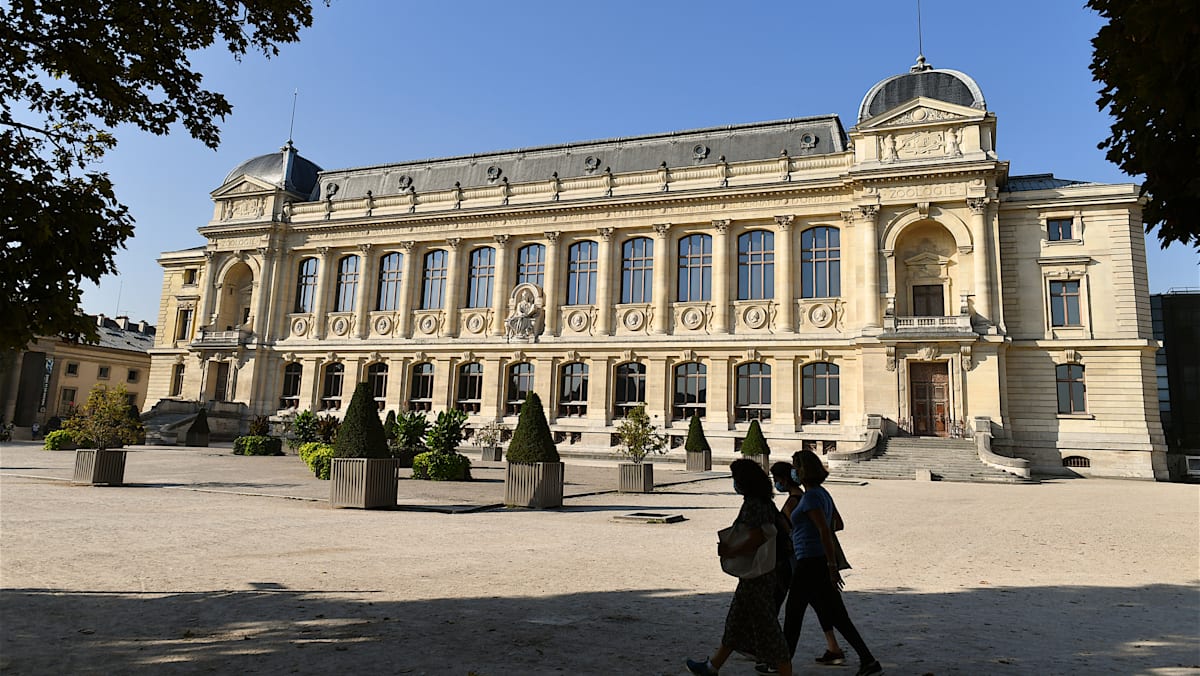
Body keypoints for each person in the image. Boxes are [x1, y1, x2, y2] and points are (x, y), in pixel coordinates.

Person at [687, 459, 793, 676]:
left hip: (759, 576)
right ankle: (712, 666)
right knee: (736, 621)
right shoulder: (763, 501)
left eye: (736, 479)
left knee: (767, 627)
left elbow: (757, 537)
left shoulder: (754, 504)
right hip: (761, 574)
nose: (734, 483)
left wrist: (731, 551)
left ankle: (785, 672)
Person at [783, 450, 883, 676]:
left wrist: (831, 566)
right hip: (814, 560)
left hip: (810, 561)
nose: (793, 471)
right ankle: (867, 660)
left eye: (795, 466)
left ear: (803, 470)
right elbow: (836, 523)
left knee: (794, 613)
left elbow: (825, 531)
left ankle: (781, 664)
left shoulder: (810, 497)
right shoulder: (822, 493)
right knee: (836, 615)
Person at [760, 462, 844, 673]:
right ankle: (834, 647)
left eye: (777, 480)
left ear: (784, 480)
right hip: (807, 558)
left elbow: (790, 530)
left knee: (783, 606)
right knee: (820, 606)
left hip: (795, 560)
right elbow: (835, 524)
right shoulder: (813, 495)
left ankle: (771, 654)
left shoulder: (796, 501)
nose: (776, 484)